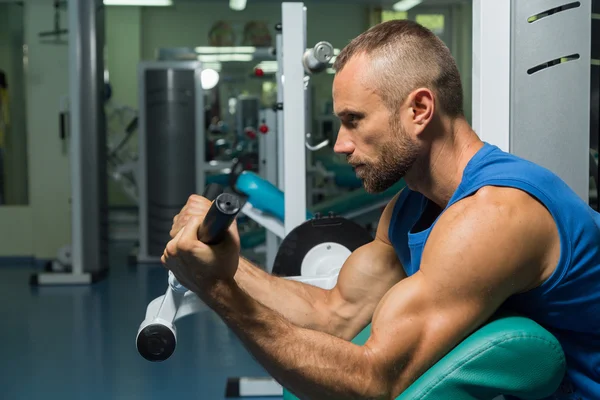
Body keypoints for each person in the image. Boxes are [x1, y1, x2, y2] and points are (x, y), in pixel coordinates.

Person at [162, 20, 600, 400]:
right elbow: (335, 315)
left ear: (420, 110)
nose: (340, 143)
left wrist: (219, 293)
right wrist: (223, 265)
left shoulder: (494, 215)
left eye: (354, 119)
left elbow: (374, 382)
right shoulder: (410, 207)